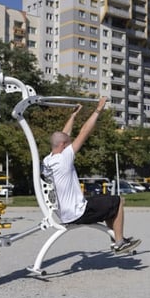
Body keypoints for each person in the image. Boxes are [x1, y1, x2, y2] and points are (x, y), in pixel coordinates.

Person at [41, 97, 139, 253]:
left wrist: (73, 116)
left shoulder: (48, 160)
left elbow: (64, 135)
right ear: (63, 146)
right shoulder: (64, 159)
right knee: (118, 200)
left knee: (107, 201)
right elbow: (84, 132)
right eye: (68, 143)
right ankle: (120, 242)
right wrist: (98, 109)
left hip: (65, 212)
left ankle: (115, 237)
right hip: (77, 213)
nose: (70, 144)